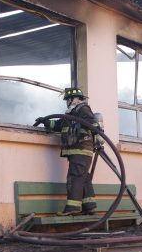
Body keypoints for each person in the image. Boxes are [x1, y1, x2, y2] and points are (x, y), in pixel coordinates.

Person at [34, 87, 98, 215]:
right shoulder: (71, 113)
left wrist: (83, 124)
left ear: (74, 99)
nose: (67, 101)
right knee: (83, 178)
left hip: (81, 149)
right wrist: (46, 122)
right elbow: (59, 125)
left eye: (68, 99)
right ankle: (89, 206)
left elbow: (94, 126)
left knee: (74, 178)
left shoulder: (83, 109)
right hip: (77, 151)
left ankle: (72, 208)